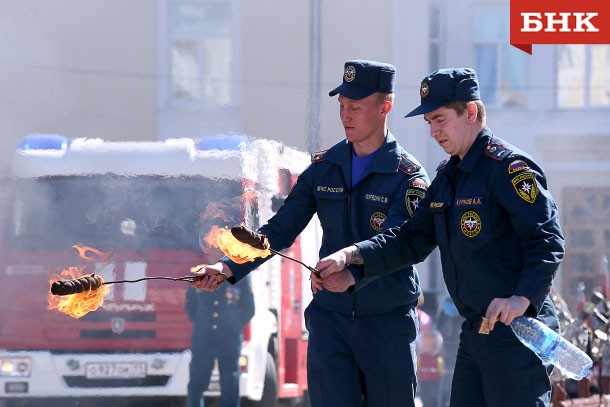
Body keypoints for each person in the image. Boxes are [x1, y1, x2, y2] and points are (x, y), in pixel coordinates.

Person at [315, 68, 565, 407]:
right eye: (429, 123)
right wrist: (352, 262)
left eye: (440, 120)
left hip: (517, 330)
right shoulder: (448, 178)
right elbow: (409, 240)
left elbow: (547, 239)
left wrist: (521, 298)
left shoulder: (508, 169)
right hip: (475, 331)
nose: (434, 132)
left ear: (471, 113)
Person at [191, 59, 430, 407]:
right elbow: (278, 230)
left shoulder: (407, 176)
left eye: (356, 107)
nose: (346, 116)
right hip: (331, 321)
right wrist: (228, 268)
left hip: (387, 323)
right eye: (342, 106)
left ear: (385, 108)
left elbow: (399, 241)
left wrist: (351, 266)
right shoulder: (323, 169)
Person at [186, 202, 256, 407]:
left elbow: (249, 309)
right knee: (196, 385)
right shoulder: (196, 274)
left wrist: (233, 326)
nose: (214, 253)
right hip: (203, 339)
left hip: (229, 340)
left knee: (230, 386)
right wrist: (202, 324)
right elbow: (190, 308)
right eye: (211, 249)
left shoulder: (240, 277)